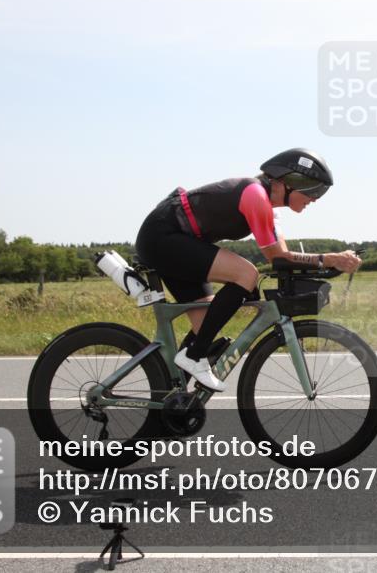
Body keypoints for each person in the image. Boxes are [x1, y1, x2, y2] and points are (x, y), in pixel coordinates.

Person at [135, 148, 361, 391]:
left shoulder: (268, 210)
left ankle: (172, 400)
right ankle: (194, 356)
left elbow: (285, 259)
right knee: (246, 274)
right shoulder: (255, 195)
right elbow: (277, 257)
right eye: (313, 190)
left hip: (176, 241)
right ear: (290, 182)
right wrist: (330, 259)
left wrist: (329, 262)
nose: (315, 199)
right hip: (163, 236)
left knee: (207, 325)